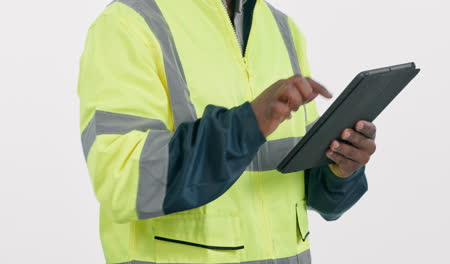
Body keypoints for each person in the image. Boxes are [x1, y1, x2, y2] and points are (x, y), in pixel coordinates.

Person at [77, 0, 377, 263]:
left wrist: (341, 168)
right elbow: (124, 182)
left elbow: (315, 195)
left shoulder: (282, 27)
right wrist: (246, 125)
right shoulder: (128, 24)